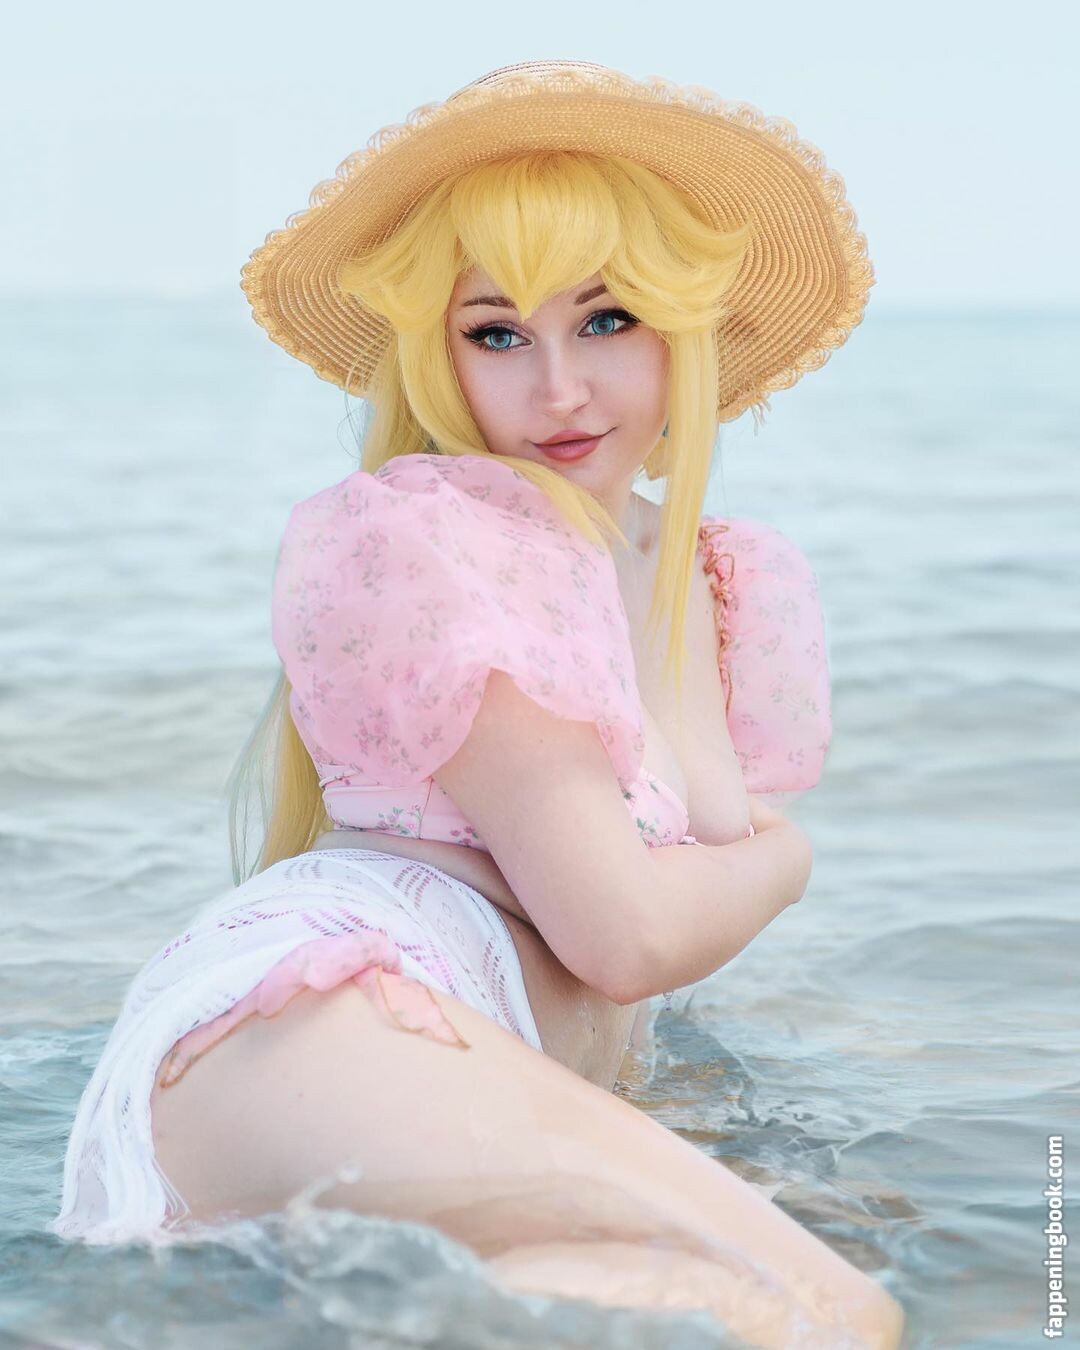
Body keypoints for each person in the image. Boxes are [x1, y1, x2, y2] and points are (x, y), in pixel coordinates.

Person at [51, 60, 904, 1348]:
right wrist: (787, 860)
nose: (558, 389)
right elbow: (623, 936)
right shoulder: (454, 543)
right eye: (497, 334)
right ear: (438, 358)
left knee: (806, 1279)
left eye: (606, 320)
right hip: (335, 1006)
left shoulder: (719, 578)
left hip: (440, 1052)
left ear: (683, 326)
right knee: (832, 1313)